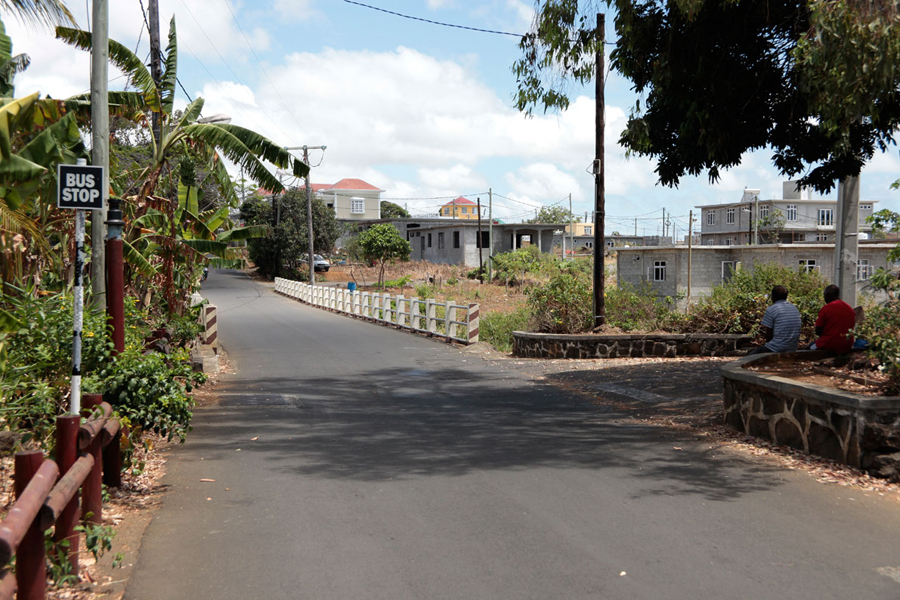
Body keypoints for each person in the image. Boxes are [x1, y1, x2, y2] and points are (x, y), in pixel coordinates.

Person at [751, 285, 801, 354]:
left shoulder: (772, 309)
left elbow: (769, 334)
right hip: (792, 348)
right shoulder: (794, 309)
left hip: (776, 348)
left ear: (773, 297)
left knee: (750, 356)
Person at [810, 284, 855, 353]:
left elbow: (818, 331)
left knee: (808, 348)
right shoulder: (849, 308)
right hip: (847, 344)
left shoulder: (826, 308)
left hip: (829, 343)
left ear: (828, 295)